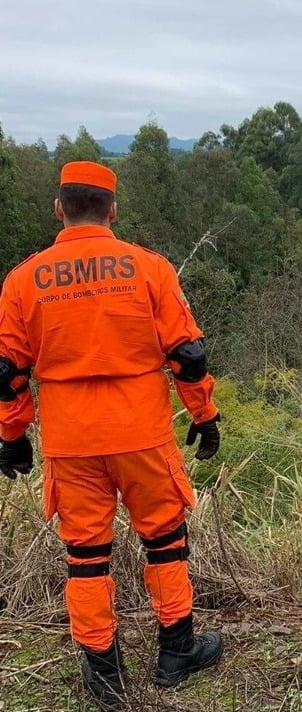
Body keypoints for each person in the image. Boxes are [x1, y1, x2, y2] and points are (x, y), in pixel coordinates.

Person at [0, 161, 223, 710]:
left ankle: (104, 677)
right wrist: (204, 414)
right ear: (113, 210)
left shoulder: (24, 279)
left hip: (71, 439)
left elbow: (7, 370)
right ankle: (177, 651)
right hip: (141, 431)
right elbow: (187, 357)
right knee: (165, 540)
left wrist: (12, 434)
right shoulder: (148, 267)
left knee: (86, 555)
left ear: (59, 208)